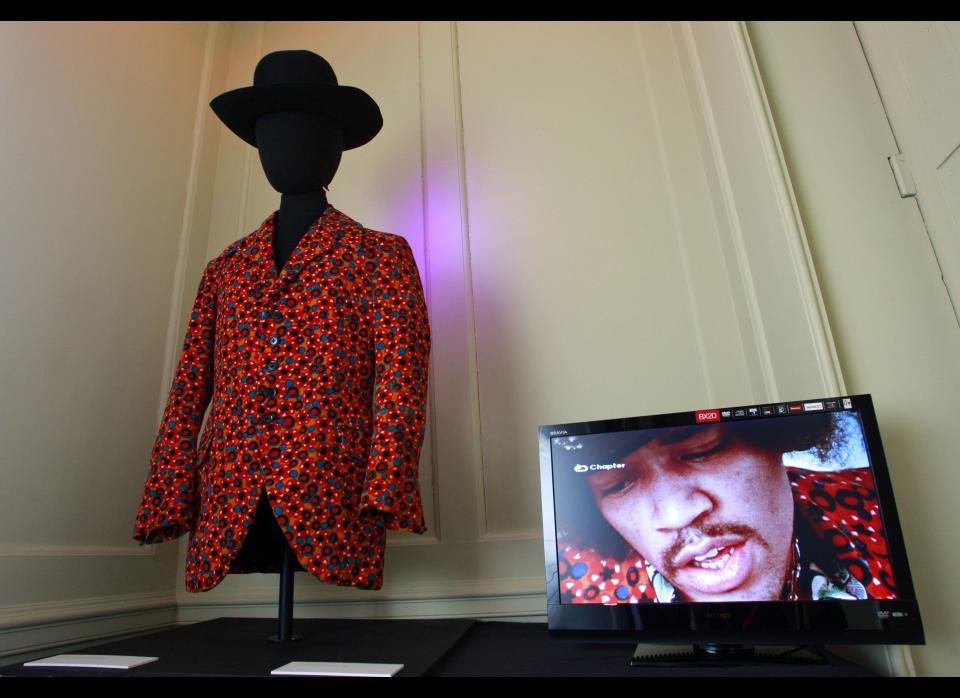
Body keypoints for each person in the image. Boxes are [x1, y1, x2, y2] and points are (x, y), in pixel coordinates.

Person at [554, 412, 897, 604]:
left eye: (704, 449)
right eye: (617, 484)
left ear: (777, 438)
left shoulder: (874, 504)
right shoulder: (574, 590)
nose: (677, 514)